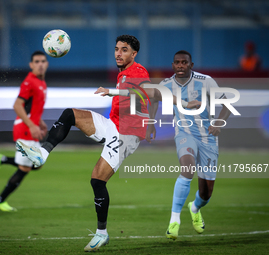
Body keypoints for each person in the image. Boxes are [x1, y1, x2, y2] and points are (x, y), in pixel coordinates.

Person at [16, 36, 200, 251]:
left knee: (97, 181)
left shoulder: (138, 71)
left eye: (124, 50)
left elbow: (150, 92)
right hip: (113, 125)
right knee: (70, 114)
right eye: (116, 49)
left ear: (134, 54)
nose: (118, 53)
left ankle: (102, 233)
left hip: (127, 135)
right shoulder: (123, 73)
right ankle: (42, 154)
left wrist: (185, 103)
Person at [146, 50, 231, 240]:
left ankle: (195, 207)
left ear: (191, 65)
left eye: (184, 62)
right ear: (173, 65)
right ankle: (174, 221)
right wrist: (151, 123)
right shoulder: (166, 85)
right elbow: (154, 99)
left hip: (208, 138)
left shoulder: (206, 81)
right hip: (184, 133)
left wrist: (218, 123)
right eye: (177, 62)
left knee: (206, 193)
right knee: (187, 168)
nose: (181, 65)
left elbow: (227, 103)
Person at [0, 50, 49, 212]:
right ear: (31, 65)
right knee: (25, 168)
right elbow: (17, 105)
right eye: (36, 61)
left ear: (47, 64)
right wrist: (32, 126)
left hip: (30, 128)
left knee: (37, 164)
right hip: (25, 129)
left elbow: (32, 108)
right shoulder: (29, 82)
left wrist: (39, 122)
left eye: (43, 61)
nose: (40, 64)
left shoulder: (42, 83)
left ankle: (2, 159)